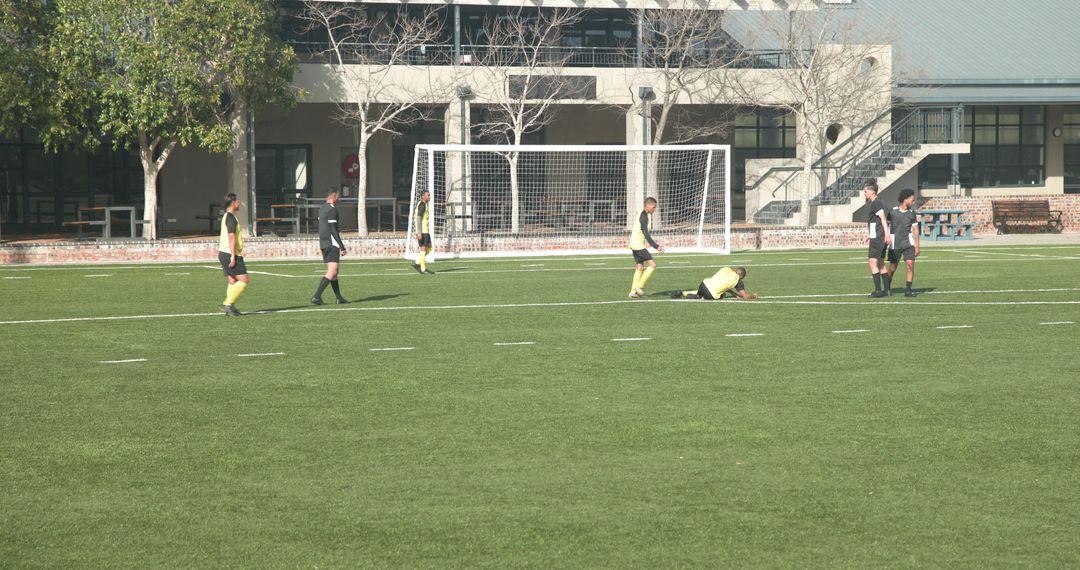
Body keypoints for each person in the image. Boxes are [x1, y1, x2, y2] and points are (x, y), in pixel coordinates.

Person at [311, 190, 348, 305]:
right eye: (338, 196)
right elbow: (333, 229)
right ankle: (316, 296)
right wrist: (342, 246)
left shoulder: (322, 208)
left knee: (335, 272)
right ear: (334, 196)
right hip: (331, 244)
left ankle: (339, 298)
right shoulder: (332, 210)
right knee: (332, 271)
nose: (339, 198)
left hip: (324, 243)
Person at [886, 188, 921, 297]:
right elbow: (885, 226)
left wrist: (917, 246)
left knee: (910, 265)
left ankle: (908, 290)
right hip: (895, 244)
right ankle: (887, 287)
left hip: (908, 244)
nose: (913, 202)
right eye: (912, 200)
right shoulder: (892, 212)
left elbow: (915, 230)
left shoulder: (912, 213)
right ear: (905, 199)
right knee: (892, 268)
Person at [217, 193, 248, 317]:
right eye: (237, 201)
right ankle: (228, 303)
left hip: (224, 253)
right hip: (230, 253)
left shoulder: (227, 216)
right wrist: (233, 256)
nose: (239, 203)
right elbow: (231, 237)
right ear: (233, 203)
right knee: (244, 280)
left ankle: (230, 306)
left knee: (232, 280)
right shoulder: (230, 217)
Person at [628, 196, 665, 298]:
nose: (654, 209)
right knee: (652, 265)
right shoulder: (644, 217)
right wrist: (656, 246)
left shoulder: (642, 214)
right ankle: (639, 287)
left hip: (634, 244)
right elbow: (646, 233)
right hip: (638, 245)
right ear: (648, 206)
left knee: (639, 267)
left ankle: (632, 292)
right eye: (654, 207)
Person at [863, 179, 892, 298]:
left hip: (879, 237)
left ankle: (878, 291)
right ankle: (887, 290)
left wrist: (886, 234)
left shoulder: (876, 203)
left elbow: (883, 219)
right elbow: (877, 221)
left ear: (872, 192)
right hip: (877, 236)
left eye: (865, 191)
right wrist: (871, 234)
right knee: (880, 263)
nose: (864, 194)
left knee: (872, 262)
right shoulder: (878, 203)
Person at [670, 267, 758, 300]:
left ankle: (682, 293)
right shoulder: (738, 280)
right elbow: (746, 297)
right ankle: (698, 297)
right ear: (741, 276)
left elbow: (722, 283)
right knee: (721, 295)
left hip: (703, 284)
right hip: (711, 294)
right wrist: (753, 296)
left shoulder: (726, 269)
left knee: (702, 292)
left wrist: (734, 294)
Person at [413, 190, 434, 275]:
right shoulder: (422, 205)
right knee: (424, 249)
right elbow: (418, 218)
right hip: (423, 231)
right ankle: (423, 269)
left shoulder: (422, 204)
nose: (429, 197)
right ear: (423, 196)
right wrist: (419, 232)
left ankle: (417, 262)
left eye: (429, 195)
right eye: (428, 195)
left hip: (424, 231)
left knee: (429, 248)